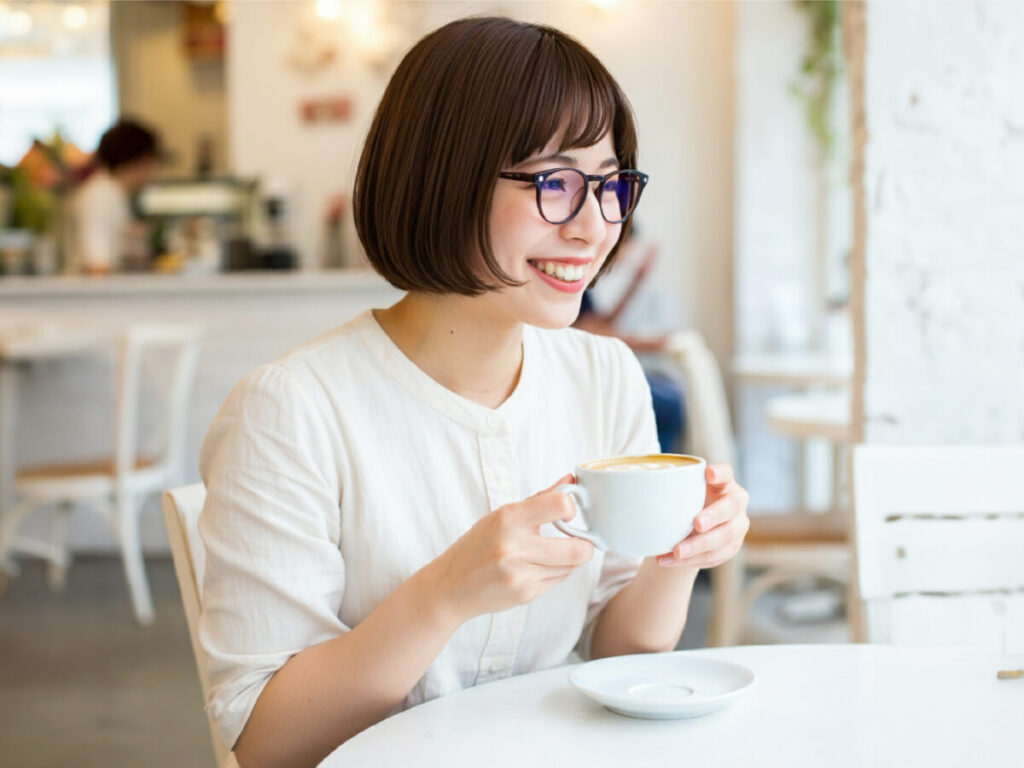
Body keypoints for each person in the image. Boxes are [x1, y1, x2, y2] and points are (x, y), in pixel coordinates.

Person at [198, 17, 750, 768]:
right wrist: (447, 593)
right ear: (444, 176)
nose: (594, 227)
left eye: (611, 185)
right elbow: (273, 745)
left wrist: (679, 553)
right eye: (555, 183)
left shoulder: (604, 377)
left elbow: (621, 650)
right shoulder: (289, 411)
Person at [573, 237, 687, 452]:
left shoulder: (583, 287)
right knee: (670, 402)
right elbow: (592, 333)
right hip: (584, 375)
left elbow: (602, 324)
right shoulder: (572, 280)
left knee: (669, 394)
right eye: (627, 247)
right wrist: (651, 344)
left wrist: (637, 281)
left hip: (594, 371)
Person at [67, 118, 160, 274]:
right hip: (96, 296)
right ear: (138, 159)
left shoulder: (111, 192)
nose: (153, 170)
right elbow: (97, 265)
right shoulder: (100, 196)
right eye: (151, 161)